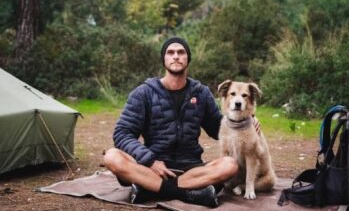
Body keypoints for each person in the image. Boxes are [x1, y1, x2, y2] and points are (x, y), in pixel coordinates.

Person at [104, 37, 256, 207]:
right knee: (111, 157)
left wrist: (245, 121)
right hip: (152, 168)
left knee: (230, 165)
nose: (176, 56)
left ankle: (149, 189)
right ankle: (191, 194)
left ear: (187, 59)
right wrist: (149, 160)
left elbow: (218, 129)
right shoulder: (143, 93)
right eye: (170, 52)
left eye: (181, 52)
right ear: (164, 59)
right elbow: (122, 133)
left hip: (192, 169)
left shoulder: (202, 93)